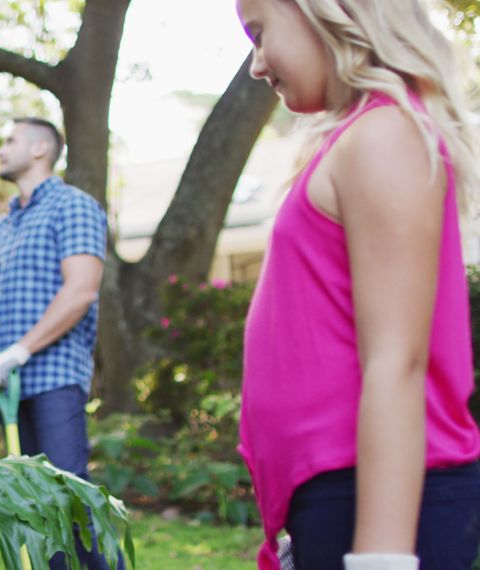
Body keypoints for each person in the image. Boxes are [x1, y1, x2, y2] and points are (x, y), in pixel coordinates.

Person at [234, 1, 480, 569]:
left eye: (260, 33)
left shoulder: (385, 134)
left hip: (384, 496)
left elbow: (397, 361)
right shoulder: (353, 138)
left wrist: (381, 558)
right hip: (339, 491)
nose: (256, 64)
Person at [0, 117, 114, 569]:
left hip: (54, 378)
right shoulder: (6, 225)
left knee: (68, 497)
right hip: (10, 388)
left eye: (10, 141)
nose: (1, 150)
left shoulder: (73, 206)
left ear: (42, 148)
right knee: (34, 506)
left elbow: (81, 290)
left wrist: (21, 349)